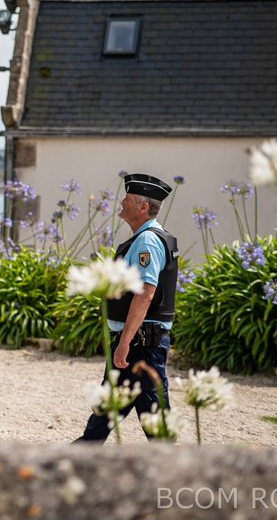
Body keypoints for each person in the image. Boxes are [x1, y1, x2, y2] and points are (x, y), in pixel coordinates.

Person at [76, 172, 180, 443]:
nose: (122, 202)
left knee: (153, 420)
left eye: (128, 199)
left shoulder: (147, 241)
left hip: (140, 345)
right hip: (139, 343)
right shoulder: (145, 238)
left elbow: (145, 294)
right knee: (107, 412)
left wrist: (124, 342)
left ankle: (174, 466)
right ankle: (80, 454)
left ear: (143, 207)